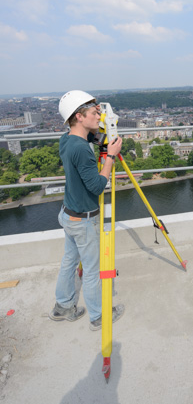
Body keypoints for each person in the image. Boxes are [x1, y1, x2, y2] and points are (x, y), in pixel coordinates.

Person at [49, 90, 124, 331]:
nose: (99, 117)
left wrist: (100, 137)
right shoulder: (82, 150)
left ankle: (63, 306)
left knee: (69, 262)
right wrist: (110, 157)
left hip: (68, 213)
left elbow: (88, 140)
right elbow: (98, 186)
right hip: (84, 220)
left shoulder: (67, 140)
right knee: (92, 271)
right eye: (94, 113)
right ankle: (98, 316)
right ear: (79, 116)